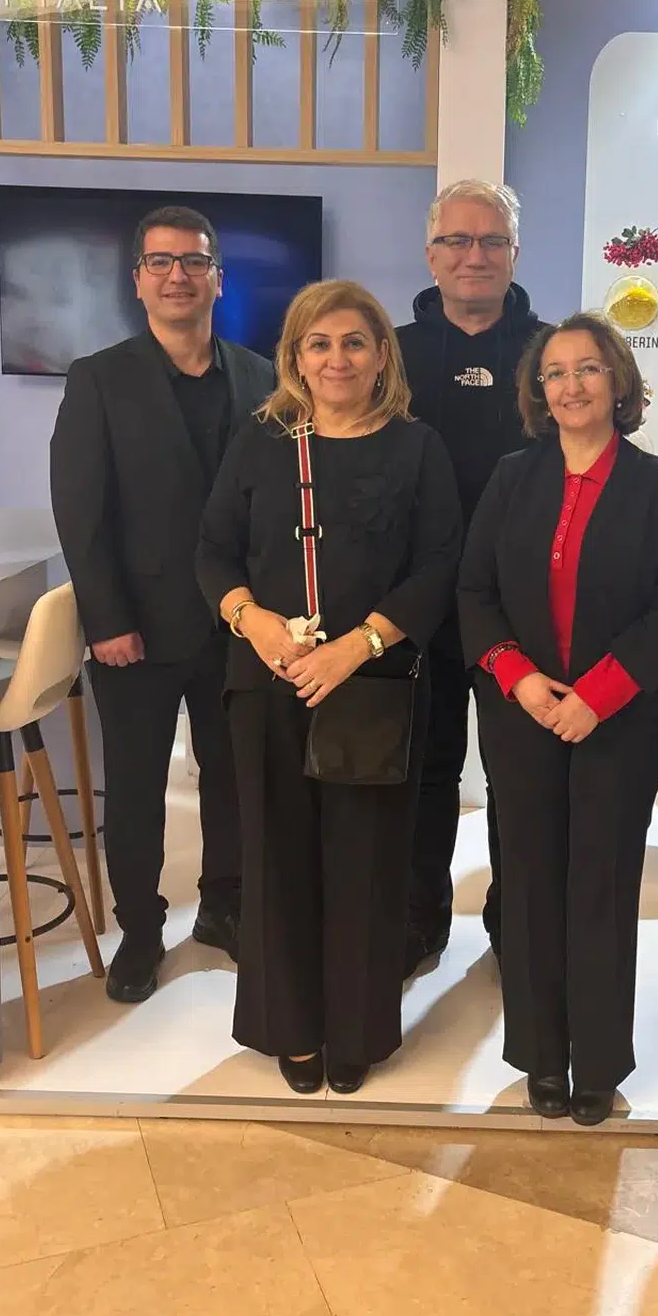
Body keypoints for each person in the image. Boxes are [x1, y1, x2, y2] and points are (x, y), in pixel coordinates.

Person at [196, 280, 461, 1096]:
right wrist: (253, 622)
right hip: (268, 679)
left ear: (382, 356)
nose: (336, 358)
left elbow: (438, 565)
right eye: (319, 343)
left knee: (366, 862)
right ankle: (291, 1026)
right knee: (276, 857)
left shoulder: (418, 448)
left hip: (371, 683)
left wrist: (356, 645)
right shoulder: (260, 441)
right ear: (295, 358)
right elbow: (214, 550)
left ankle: (356, 1029)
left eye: (354, 342)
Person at [459, 314, 658, 1125]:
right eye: (556, 372)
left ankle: (596, 1060)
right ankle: (541, 1055)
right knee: (529, 882)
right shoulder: (510, 479)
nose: (572, 385)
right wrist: (520, 678)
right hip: (522, 713)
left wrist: (598, 695)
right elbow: (474, 592)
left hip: (622, 720)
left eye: (589, 368)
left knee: (601, 883)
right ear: (539, 390)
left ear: (619, 380)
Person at [51, 205, 276, 1004]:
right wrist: (106, 619)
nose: (178, 275)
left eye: (194, 261)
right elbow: (80, 510)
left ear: (219, 278)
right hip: (136, 631)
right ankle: (141, 931)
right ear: (138, 280)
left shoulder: (261, 376)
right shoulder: (99, 378)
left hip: (239, 625)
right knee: (137, 791)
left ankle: (224, 907)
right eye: (161, 262)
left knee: (234, 780)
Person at [397, 179, 545, 976]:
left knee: (519, 781)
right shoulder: (388, 354)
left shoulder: (554, 354)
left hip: (525, 611)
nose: (474, 255)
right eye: (457, 240)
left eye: (491, 241)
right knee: (423, 772)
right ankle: (418, 920)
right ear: (431, 255)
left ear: (514, 255)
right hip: (416, 607)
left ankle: (513, 921)